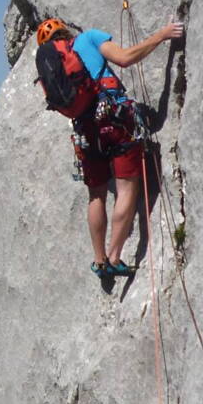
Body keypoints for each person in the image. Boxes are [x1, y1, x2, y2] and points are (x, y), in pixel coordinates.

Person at [34, 17, 184, 278]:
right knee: (127, 187)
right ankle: (114, 257)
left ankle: (99, 260)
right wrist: (162, 35)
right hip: (115, 120)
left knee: (97, 195)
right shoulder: (89, 38)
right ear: (66, 32)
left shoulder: (55, 71)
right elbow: (125, 58)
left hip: (85, 130)